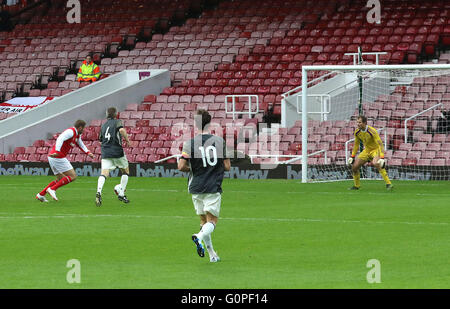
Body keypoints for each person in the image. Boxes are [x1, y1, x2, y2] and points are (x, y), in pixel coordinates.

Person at [178, 109, 231, 263]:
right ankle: (199, 236)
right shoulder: (219, 142)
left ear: (195, 124)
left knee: (203, 221)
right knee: (212, 221)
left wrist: (193, 169)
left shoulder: (189, 143)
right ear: (210, 123)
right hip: (212, 186)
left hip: (195, 186)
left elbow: (181, 166)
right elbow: (227, 166)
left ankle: (212, 254)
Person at [36, 120, 94, 202]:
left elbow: (80, 144)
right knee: (73, 176)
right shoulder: (71, 131)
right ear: (80, 127)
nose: (84, 130)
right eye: (83, 128)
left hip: (53, 157)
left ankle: (41, 194)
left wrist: (88, 152)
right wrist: (57, 151)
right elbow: (60, 138)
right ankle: (52, 189)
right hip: (58, 156)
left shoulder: (77, 135)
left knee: (60, 179)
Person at [96, 107, 131, 206]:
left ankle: (98, 192)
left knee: (104, 174)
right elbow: (122, 131)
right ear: (116, 114)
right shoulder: (117, 122)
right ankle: (121, 193)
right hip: (116, 150)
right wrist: (127, 140)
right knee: (125, 171)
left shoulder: (103, 126)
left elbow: (100, 140)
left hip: (105, 152)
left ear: (107, 115)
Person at [348, 115, 393, 190]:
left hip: (376, 150)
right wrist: (352, 156)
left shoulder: (372, 131)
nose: (358, 124)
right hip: (366, 150)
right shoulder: (357, 132)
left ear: (365, 123)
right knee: (354, 167)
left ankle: (388, 183)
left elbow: (380, 144)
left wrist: (382, 157)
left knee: (376, 163)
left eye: (360, 122)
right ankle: (357, 186)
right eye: (357, 122)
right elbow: (356, 144)